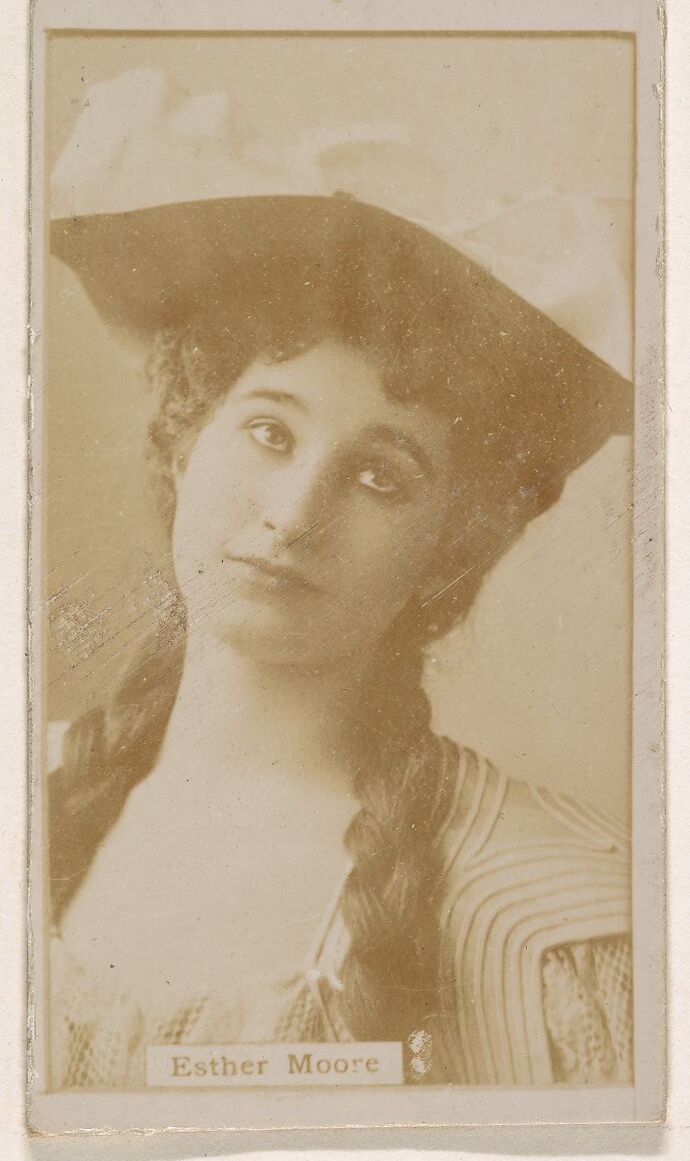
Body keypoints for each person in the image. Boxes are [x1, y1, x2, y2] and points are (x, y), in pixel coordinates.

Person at [46, 190, 633, 1090]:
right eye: (269, 432)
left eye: (379, 477)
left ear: (451, 546)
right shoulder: (32, 792)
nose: (293, 516)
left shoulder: (553, 915)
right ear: (185, 441)